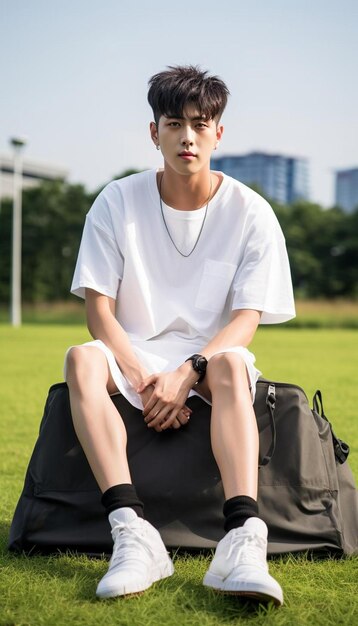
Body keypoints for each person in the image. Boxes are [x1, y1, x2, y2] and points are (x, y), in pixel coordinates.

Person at [64, 65, 295, 605]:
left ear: (219, 132)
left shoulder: (251, 211)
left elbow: (246, 320)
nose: (187, 137)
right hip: (133, 353)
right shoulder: (116, 201)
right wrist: (146, 376)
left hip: (210, 357)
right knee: (80, 359)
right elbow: (99, 311)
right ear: (155, 133)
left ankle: (243, 537)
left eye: (200, 123)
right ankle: (132, 532)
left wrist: (187, 369)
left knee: (235, 362)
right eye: (174, 124)